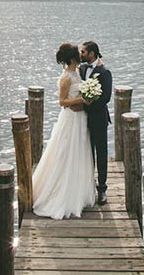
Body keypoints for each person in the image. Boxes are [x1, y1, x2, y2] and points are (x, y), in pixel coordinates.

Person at [32, 43, 96, 219]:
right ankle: (61, 193)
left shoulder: (77, 72)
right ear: (73, 57)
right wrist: (81, 100)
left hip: (81, 119)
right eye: (78, 52)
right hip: (70, 120)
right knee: (66, 152)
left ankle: (79, 191)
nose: (80, 54)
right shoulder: (66, 77)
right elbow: (62, 101)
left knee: (79, 152)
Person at [79, 40, 112, 205]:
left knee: (101, 153)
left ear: (92, 53)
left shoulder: (104, 72)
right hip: (82, 119)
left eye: (83, 52)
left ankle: (102, 189)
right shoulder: (82, 68)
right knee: (86, 152)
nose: (81, 54)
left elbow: (106, 97)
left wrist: (91, 102)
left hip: (98, 119)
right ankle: (87, 186)